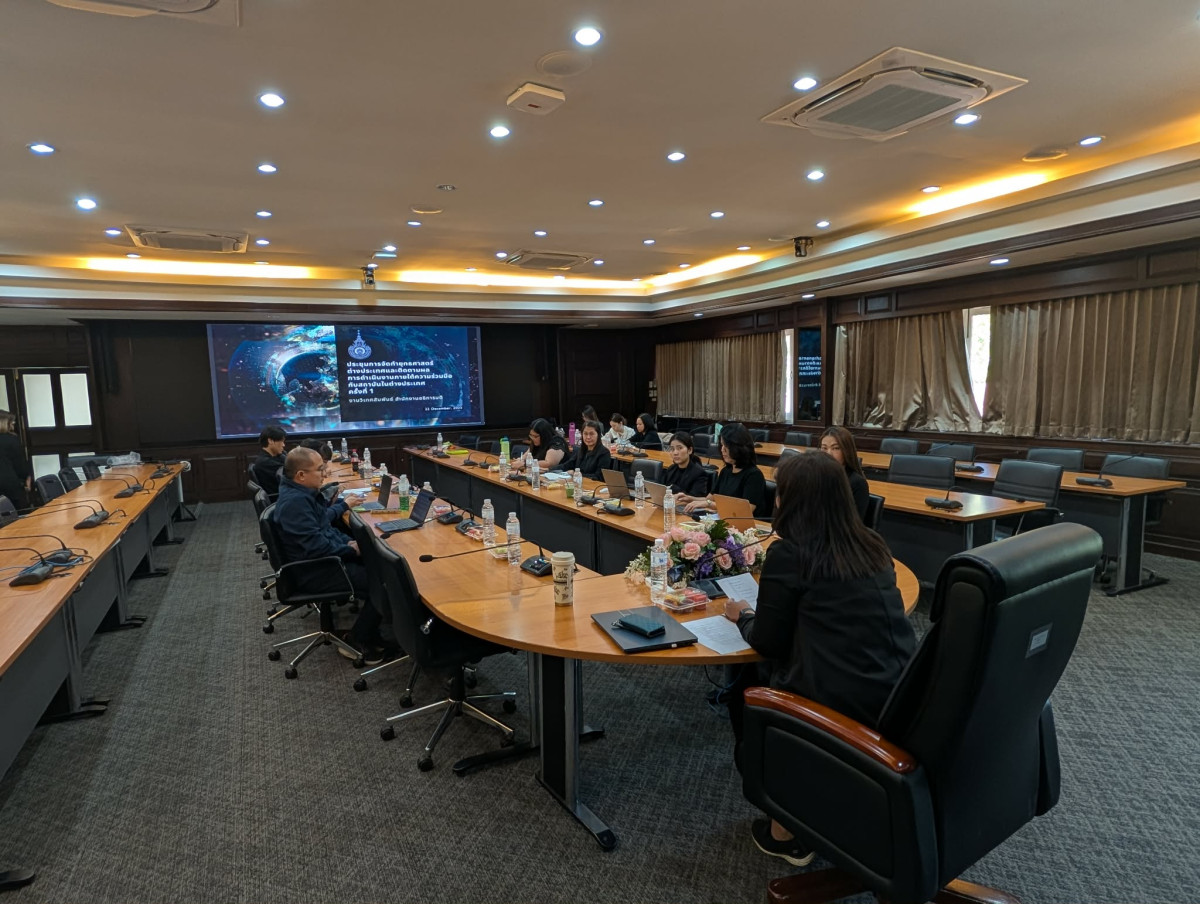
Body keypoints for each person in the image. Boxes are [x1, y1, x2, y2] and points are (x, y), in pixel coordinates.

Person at [722, 451, 916, 866]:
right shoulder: (872, 545)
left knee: (744, 682)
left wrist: (744, 615)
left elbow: (767, 642)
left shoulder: (791, 554)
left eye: (780, 493)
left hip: (834, 708)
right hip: (900, 697)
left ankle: (786, 829)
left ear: (793, 501)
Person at [273, 446, 391, 663]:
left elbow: (325, 531)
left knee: (380, 564)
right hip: (316, 570)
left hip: (322, 561)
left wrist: (349, 542)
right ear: (301, 475)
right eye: (320, 469)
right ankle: (358, 638)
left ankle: (375, 632)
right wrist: (351, 549)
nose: (325, 473)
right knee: (386, 583)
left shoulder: (303, 495)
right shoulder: (295, 503)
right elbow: (316, 548)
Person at [678, 423, 769, 518]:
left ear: (739, 448)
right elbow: (709, 499)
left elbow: (745, 510)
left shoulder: (754, 475)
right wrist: (690, 499)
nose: (722, 449)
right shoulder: (726, 471)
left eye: (726, 446)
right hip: (724, 519)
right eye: (721, 445)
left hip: (744, 524)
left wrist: (709, 504)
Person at [819, 426, 870, 522]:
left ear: (847, 451)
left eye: (836, 448)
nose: (829, 453)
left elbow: (852, 523)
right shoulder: (817, 476)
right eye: (824, 448)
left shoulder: (857, 483)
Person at [662, 431, 709, 499]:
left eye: (680, 448)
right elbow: (662, 489)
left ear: (690, 450)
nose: (675, 453)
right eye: (672, 449)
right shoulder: (671, 469)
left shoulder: (699, 473)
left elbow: (695, 499)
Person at [0, 410, 31, 512]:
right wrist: (26, 479)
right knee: (17, 515)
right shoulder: (11, 440)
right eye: (12, 422)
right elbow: (20, 466)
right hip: (10, 486)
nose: (13, 425)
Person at [251, 425, 287, 497]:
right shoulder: (266, 462)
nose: (284, 445)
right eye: (281, 441)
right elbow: (292, 473)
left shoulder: (274, 456)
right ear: (270, 441)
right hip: (279, 497)